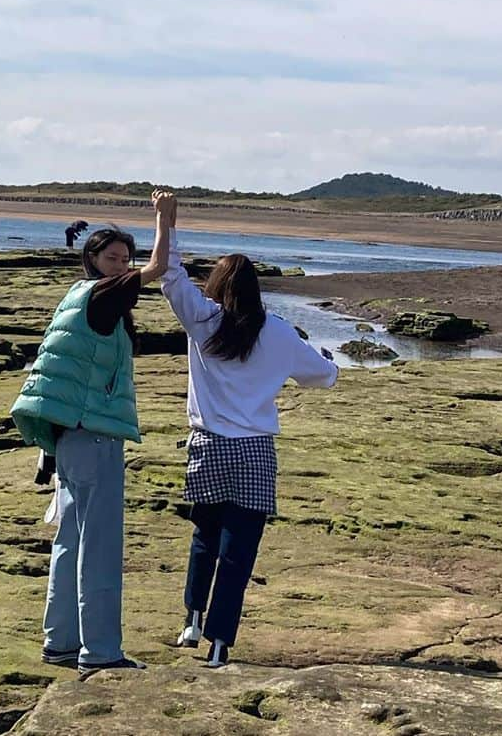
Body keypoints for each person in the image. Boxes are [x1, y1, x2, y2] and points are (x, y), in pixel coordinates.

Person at [159, 201, 338, 668]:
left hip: (208, 446)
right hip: (256, 452)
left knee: (204, 534)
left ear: (216, 288)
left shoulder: (204, 321)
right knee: (238, 552)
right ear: (257, 290)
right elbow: (323, 377)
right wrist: (329, 362)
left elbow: (171, 276)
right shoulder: (278, 333)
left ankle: (192, 620)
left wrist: (167, 223)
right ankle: (220, 646)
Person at [11, 191, 176, 678]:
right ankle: (100, 650)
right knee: (99, 545)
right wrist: (165, 220)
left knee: (69, 540)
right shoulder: (105, 294)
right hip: (95, 435)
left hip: (67, 439)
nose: (123, 265)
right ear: (93, 259)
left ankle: (60, 642)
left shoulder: (76, 295)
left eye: (126, 258)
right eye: (114, 258)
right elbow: (159, 268)